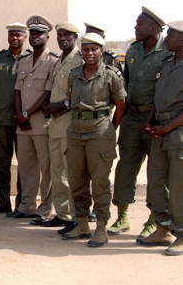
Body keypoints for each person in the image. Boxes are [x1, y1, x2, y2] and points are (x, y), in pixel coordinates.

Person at [108, 7, 172, 238]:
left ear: (153, 27)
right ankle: (122, 217)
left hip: (156, 120)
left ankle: (155, 220)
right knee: (126, 167)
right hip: (132, 118)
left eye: (139, 24)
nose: (135, 28)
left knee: (157, 172)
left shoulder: (168, 50)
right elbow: (125, 84)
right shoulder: (134, 51)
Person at [62, 33, 126, 247]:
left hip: (99, 130)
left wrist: (110, 128)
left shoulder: (111, 75)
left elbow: (121, 105)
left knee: (100, 181)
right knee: (77, 179)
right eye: (86, 49)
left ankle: (101, 227)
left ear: (101, 51)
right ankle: (81, 223)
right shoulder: (74, 75)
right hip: (75, 130)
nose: (90, 53)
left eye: (94, 49)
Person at [139, 20, 183, 256]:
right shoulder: (167, 63)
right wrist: (151, 119)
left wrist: (168, 128)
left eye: (172, 35)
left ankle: (182, 234)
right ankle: (163, 227)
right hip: (159, 129)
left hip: (177, 133)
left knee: (178, 186)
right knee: (156, 183)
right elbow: (158, 95)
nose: (167, 39)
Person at [10, 15, 58, 224]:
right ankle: (26, 206)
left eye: (40, 33)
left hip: (41, 125)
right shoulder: (24, 61)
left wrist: (27, 115)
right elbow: (17, 91)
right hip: (23, 126)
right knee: (26, 168)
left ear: (48, 36)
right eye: (33, 33)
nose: (35, 36)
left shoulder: (53, 62)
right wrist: (20, 116)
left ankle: (45, 209)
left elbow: (47, 94)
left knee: (46, 170)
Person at [41, 22, 83, 234]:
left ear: (76, 37)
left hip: (70, 120)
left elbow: (82, 92)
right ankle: (62, 214)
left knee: (71, 170)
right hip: (55, 122)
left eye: (67, 35)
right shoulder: (59, 61)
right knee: (57, 170)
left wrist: (62, 105)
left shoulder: (80, 59)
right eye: (60, 35)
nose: (62, 38)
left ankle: (76, 217)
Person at [0, 23, 29, 214]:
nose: (15, 38)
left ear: (24, 38)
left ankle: (22, 204)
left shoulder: (30, 59)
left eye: (18, 35)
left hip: (24, 122)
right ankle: (2, 202)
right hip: (1, 120)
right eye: (12, 35)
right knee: (1, 163)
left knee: (25, 164)